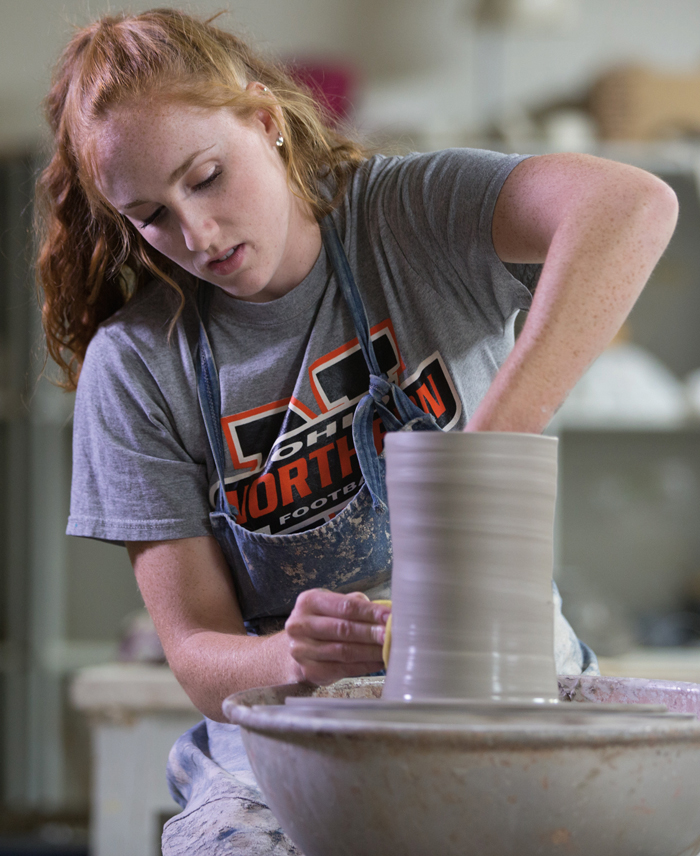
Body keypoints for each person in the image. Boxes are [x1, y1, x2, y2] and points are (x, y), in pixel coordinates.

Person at [36, 9, 678, 855]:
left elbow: (633, 206)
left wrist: (475, 467)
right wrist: (288, 659)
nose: (196, 236)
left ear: (264, 122)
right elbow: (196, 652)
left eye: (206, 177)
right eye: (151, 216)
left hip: (508, 678)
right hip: (300, 722)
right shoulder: (137, 365)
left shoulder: (411, 215)